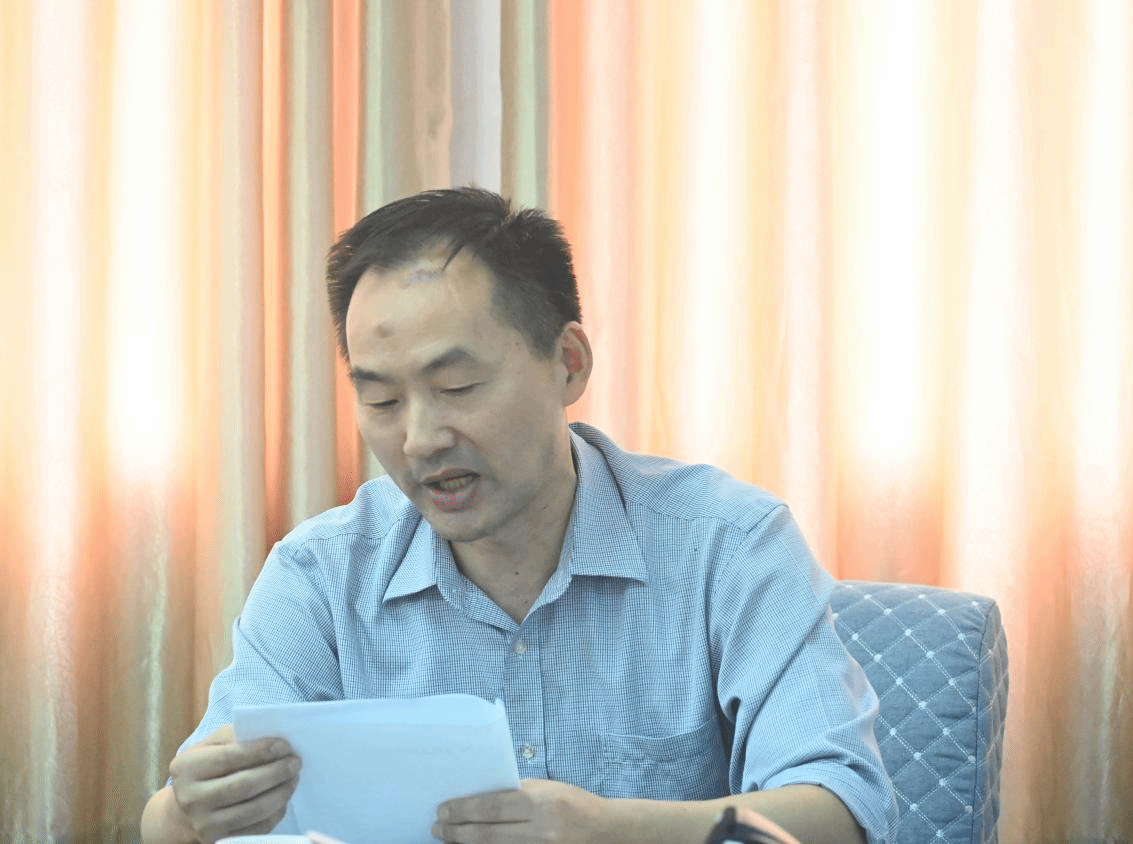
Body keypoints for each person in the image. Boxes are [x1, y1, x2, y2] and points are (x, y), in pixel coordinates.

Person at [141, 188, 897, 844]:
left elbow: (844, 812)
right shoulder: (321, 576)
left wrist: (610, 832)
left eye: (458, 387)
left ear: (568, 363)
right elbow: (168, 820)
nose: (419, 439)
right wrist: (189, 813)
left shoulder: (728, 547)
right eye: (381, 399)